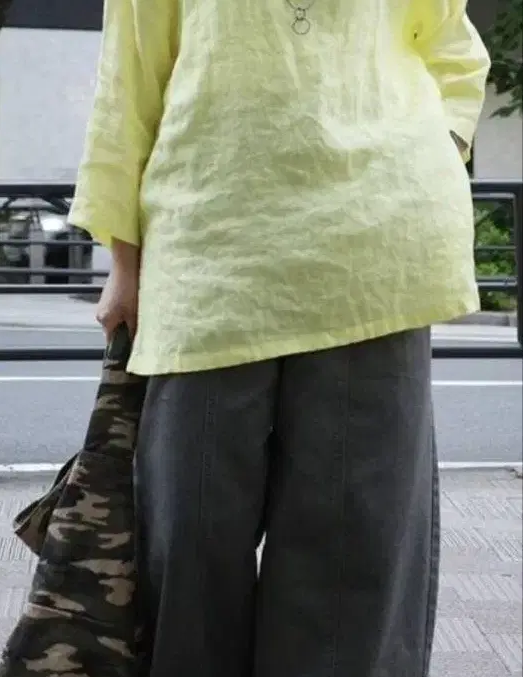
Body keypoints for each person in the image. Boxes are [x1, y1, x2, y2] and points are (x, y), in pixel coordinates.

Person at [68, 0, 491, 675]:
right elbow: (130, 78)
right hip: (208, 253)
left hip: (376, 248)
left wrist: (434, 148)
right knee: (189, 542)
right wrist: (124, 261)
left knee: (353, 550)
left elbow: (453, 50)